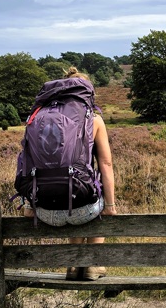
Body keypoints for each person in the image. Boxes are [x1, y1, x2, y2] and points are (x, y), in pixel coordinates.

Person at [22, 67, 116, 281]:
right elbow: (106, 164)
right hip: (82, 211)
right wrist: (110, 205)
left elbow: (27, 162)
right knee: (94, 199)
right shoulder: (95, 120)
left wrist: (29, 206)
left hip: (45, 210)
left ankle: (73, 264)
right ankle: (92, 264)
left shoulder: (38, 118)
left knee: (72, 196)